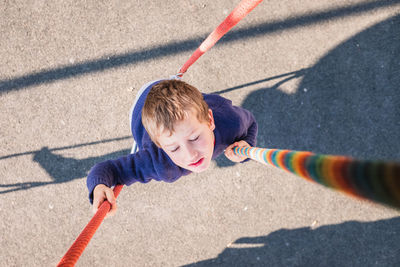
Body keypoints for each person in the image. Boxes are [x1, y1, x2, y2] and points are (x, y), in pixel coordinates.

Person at [87, 78, 258, 216]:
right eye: (174, 148)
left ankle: (172, 84)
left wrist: (247, 145)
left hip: (180, 93)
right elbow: (108, 169)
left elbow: (250, 123)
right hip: (139, 111)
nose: (190, 155)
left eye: (195, 137)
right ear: (160, 145)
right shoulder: (155, 160)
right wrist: (99, 186)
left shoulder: (231, 122)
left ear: (210, 120)